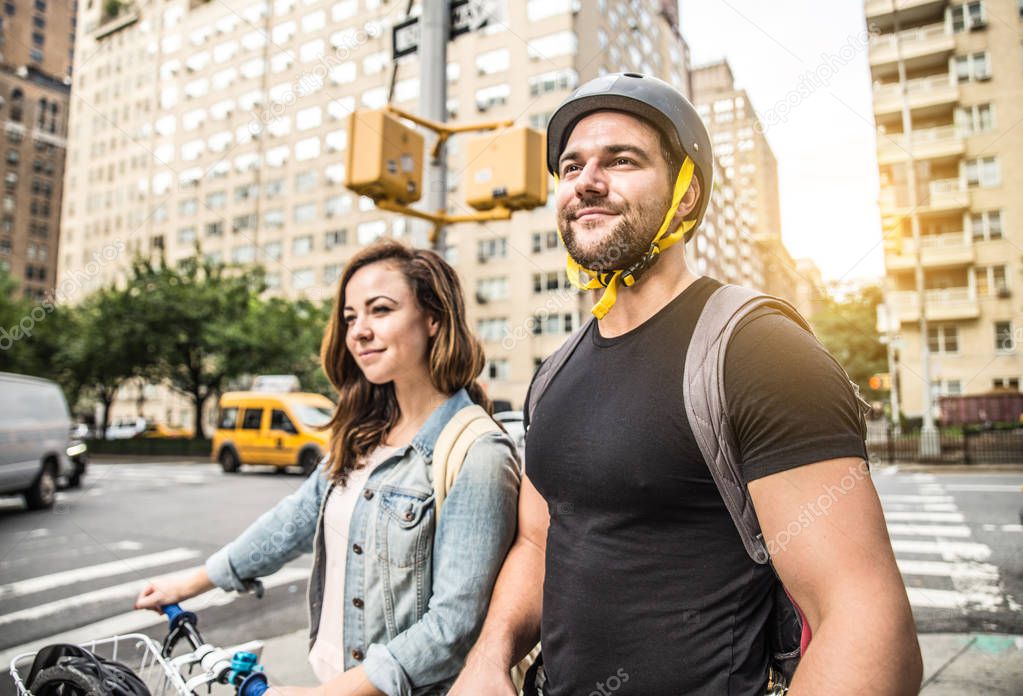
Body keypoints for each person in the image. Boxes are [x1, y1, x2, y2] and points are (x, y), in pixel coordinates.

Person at [450, 73, 921, 696]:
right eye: (571, 166)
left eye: (621, 160)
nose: (587, 181)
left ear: (686, 191)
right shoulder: (554, 374)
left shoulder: (755, 348)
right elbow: (540, 540)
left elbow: (864, 619)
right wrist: (489, 656)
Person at [135, 240, 521, 696]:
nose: (358, 331)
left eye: (380, 310)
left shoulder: (477, 452)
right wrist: (191, 582)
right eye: (350, 317)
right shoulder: (363, 433)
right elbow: (295, 519)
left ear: (433, 318)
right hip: (334, 682)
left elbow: (452, 628)